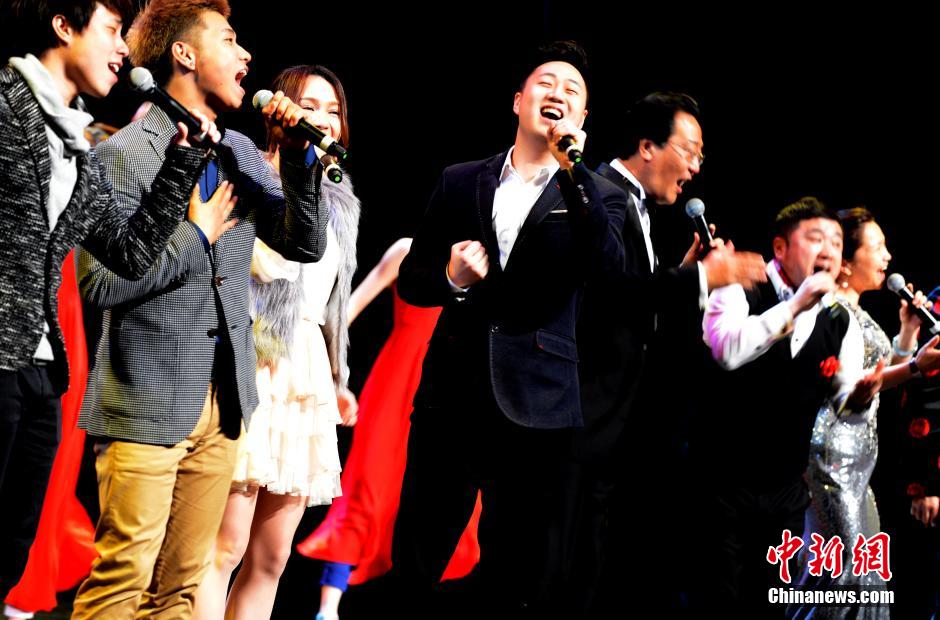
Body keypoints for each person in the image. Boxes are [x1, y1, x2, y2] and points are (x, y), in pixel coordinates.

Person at [71, 1, 330, 617]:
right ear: (184, 54)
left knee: (183, 587)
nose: (246, 54)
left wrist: (299, 158)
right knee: (123, 576)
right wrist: (196, 236)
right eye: (229, 40)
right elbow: (100, 285)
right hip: (147, 398)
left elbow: (303, 242)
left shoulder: (238, 150)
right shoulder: (123, 153)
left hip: (224, 401)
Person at [391, 40, 626, 617]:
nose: (557, 94)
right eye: (546, 82)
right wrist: (450, 276)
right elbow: (412, 280)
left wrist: (574, 171)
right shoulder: (460, 179)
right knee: (416, 559)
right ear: (519, 100)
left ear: (583, 117)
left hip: (538, 405)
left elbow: (609, 270)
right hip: (451, 396)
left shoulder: (601, 196)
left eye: (572, 90)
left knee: (513, 575)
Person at [0, 0, 215, 601]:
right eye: (112, 31)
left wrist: (181, 160)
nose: (124, 49)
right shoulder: (5, 107)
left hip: (41, 371)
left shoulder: (75, 141)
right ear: (62, 26)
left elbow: (130, 250)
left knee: (10, 549)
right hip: (3, 357)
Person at [566, 92, 766, 614]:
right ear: (648, 146)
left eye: (701, 156)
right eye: (690, 151)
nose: (696, 168)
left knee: (596, 569)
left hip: (616, 425)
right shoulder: (599, 194)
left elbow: (638, 306)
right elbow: (612, 294)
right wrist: (700, 277)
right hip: (584, 419)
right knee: (567, 570)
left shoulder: (636, 207)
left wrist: (686, 272)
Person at [192, 64, 359, 620]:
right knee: (226, 545)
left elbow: (331, 305)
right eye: (310, 106)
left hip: (304, 374)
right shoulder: (251, 173)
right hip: (254, 360)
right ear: (281, 113)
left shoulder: (341, 198)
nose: (324, 119)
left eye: (334, 110)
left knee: (272, 557)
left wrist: (337, 377)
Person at [693, 197, 882, 618]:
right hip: (720, 481)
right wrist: (795, 305)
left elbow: (845, 404)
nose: (829, 251)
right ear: (780, 248)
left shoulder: (840, 321)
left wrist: (861, 398)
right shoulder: (741, 284)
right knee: (718, 600)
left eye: (836, 242)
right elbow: (727, 351)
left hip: (785, 491)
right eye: (816, 239)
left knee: (772, 602)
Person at [296, 238, 483, 620]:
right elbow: (347, 310)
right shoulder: (407, 250)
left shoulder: (484, 258)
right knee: (366, 483)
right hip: (395, 384)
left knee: (441, 497)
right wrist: (333, 376)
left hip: (448, 387)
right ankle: (328, 607)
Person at [789, 208, 940, 619]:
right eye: (877, 247)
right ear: (847, 262)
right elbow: (853, 383)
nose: (887, 256)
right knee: (846, 575)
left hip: (859, 461)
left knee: (862, 573)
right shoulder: (831, 311)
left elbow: (880, 377)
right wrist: (914, 366)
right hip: (831, 458)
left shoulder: (859, 311)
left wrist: (907, 331)